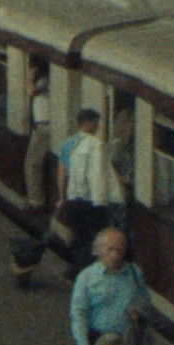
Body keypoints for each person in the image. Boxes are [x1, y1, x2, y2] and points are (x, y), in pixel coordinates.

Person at [71, 228, 150, 345]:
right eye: (110, 249)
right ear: (98, 251)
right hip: (99, 340)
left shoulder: (134, 273)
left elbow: (145, 300)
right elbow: (79, 314)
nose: (115, 255)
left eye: (119, 250)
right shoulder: (86, 277)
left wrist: (140, 311)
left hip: (127, 342)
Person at [63, 110, 125, 278]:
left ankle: (74, 268)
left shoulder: (73, 144)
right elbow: (97, 174)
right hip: (91, 202)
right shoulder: (95, 144)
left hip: (74, 199)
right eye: (95, 122)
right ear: (88, 123)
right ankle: (84, 272)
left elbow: (70, 173)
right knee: (96, 238)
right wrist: (101, 202)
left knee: (79, 236)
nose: (97, 126)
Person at [22, 74, 52, 212]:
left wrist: (30, 76)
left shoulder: (43, 80)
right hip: (41, 126)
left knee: (32, 164)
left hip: (44, 127)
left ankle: (36, 201)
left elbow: (32, 91)